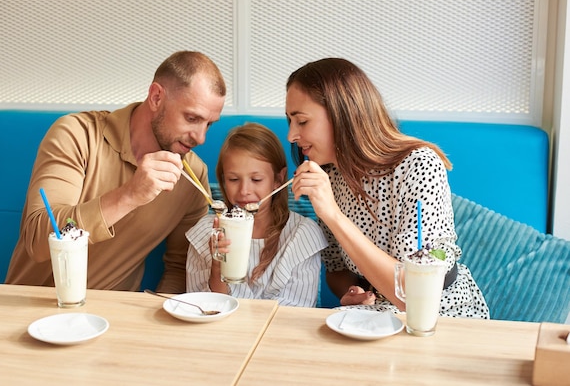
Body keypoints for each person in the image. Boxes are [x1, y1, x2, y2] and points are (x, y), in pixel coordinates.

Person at [5, 51, 226, 293]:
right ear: (156, 97)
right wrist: (129, 196)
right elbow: (38, 239)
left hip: (114, 318)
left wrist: (162, 318)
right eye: (192, 118)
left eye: (209, 124)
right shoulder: (77, 135)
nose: (201, 137)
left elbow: (178, 267)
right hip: (31, 308)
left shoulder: (192, 175)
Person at [285, 58, 489, 318]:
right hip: (374, 319)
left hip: (442, 316)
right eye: (290, 121)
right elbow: (337, 270)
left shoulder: (419, 166)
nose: (291, 135)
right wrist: (355, 292)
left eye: (301, 121)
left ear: (342, 114)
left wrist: (333, 215)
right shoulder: (329, 175)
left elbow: (412, 293)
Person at [185, 123, 327, 307]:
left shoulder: (302, 235)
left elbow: (296, 316)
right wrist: (217, 268)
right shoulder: (205, 233)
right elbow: (202, 309)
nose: (244, 191)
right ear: (223, 180)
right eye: (233, 179)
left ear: (278, 179)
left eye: (256, 179)